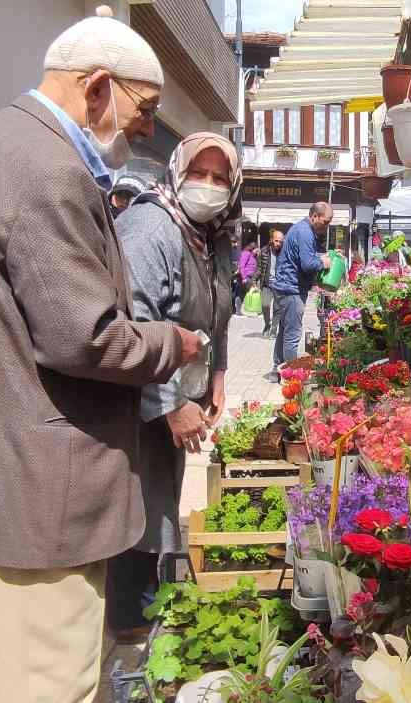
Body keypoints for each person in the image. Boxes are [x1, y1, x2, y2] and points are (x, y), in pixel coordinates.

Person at [0, 9, 199, 703]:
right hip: (30, 497)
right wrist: (172, 343)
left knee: (0, 676)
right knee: (44, 682)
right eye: (144, 109)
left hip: (3, 478)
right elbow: (84, 336)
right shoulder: (45, 167)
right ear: (97, 88)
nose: (146, 129)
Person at [108, 132, 241, 643]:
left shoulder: (211, 235)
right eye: (198, 174)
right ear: (176, 173)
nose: (208, 187)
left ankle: (149, 602)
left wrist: (218, 375)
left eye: (220, 178)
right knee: (139, 498)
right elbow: (134, 326)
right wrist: (170, 403)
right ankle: (128, 624)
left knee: (161, 494)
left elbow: (220, 313)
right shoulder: (151, 228)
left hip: (180, 391)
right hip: (140, 399)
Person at [267, 203, 331, 381]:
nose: (326, 226)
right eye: (325, 222)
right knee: (292, 334)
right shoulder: (305, 232)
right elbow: (307, 264)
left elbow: (305, 256)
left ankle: (276, 370)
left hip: (285, 288)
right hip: (291, 290)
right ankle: (292, 377)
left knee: (284, 331)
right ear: (314, 216)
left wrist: (322, 256)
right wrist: (322, 263)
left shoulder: (300, 229)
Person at [258, 228, 284, 337]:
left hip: (279, 284)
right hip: (267, 283)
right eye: (276, 240)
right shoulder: (264, 251)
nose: (278, 243)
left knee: (277, 308)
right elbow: (259, 267)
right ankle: (267, 324)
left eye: (280, 241)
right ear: (271, 240)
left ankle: (274, 328)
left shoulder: (284, 252)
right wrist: (253, 281)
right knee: (265, 305)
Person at [235, 239, 257, 313]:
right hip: (246, 277)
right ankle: (239, 310)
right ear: (252, 248)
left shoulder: (251, 255)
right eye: (256, 250)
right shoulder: (246, 253)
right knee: (243, 293)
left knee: (244, 293)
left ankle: (243, 309)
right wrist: (244, 277)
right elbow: (242, 265)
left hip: (249, 277)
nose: (257, 251)